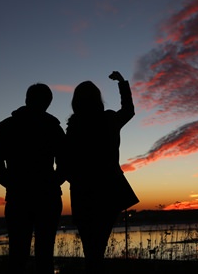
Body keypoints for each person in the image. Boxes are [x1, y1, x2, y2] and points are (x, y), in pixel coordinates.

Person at [63, 71, 139, 273]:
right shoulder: (109, 120)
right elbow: (129, 110)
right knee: (98, 247)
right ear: (98, 100)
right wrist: (122, 83)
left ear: (76, 102)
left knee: (91, 249)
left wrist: (74, 179)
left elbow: (66, 161)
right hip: (108, 191)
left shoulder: (74, 126)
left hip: (83, 193)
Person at [0, 83, 65, 274]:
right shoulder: (52, 127)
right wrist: (53, 182)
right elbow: (66, 163)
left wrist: (13, 184)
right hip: (41, 198)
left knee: (19, 255)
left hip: (23, 198)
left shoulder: (7, 126)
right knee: (42, 256)